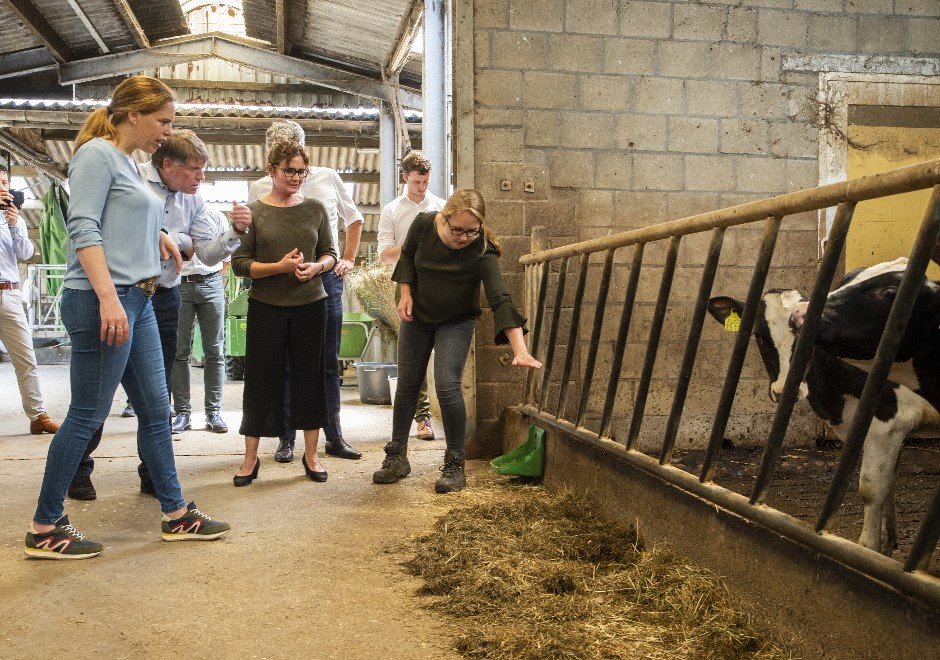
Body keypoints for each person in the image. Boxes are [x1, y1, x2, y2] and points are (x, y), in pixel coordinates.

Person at [24, 76, 229, 559]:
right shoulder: (96, 154)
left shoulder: (129, 163)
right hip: (105, 300)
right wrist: (108, 298)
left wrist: (155, 235)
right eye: (163, 121)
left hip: (138, 298)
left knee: (157, 413)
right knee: (86, 415)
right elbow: (84, 226)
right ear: (133, 114)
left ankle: (176, 514)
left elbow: (128, 216)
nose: (167, 131)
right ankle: (45, 525)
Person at [66, 129, 251, 501]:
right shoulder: (130, 175)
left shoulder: (194, 202)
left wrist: (234, 232)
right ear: (168, 164)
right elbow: (100, 229)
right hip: (118, 293)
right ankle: (77, 469)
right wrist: (169, 236)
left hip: (162, 297)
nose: (201, 178)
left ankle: (154, 474)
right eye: (195, 170)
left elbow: (207, 255)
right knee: (96, 394)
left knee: (157, 393)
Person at [372, 189, 542, 494]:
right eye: (457, 230)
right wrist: (406, 293)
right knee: (409, 382)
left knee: (447, 384)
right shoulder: (423, 224)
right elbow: (408, 256)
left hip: (456, 320)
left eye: (471, 231)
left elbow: (500, 297)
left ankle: (454, 464)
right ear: (444, 217)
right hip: (418, 315)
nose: (463, 237)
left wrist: (520, 349)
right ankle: (396, 456)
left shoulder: (482, 250)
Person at [248, 120, 363, 463]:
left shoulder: (327, 178)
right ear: (272, 161)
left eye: (297, 156)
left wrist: (347, 260)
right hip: (279, 285)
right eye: (282, 157)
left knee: (326, 364)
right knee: (283, 365)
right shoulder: (258, 188)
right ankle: (286, 439)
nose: (294, 171)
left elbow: (353, 218)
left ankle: (334, 436)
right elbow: (249, 238)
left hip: (322, 281)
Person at [232, 139, 337, 486]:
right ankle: (250, 459)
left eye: (301, 171)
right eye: (289, 170)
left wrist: (317, 268)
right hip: (267, 308)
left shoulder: (316, 208)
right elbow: (240, 265)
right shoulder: (255, 212)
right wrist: (278, 267)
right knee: (260, 382)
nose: (295, 177)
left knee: (311, 380)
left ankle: (311, 456)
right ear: (271, 170)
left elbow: (330, 253)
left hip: (311, 305)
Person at [377, 150, 445, 441]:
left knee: (442, 350)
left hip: (441, 284)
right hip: (406, 284)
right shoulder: (392, 210)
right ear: (405, 177)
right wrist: (413, 245)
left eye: (426, 181)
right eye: (417, 181)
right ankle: (423, 418)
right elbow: (383, 255)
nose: (422, 186)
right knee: (414, 355)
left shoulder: (442, 207)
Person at [0, 165, 60, 436]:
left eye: (5, 182)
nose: (3, 188)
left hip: (10, 293)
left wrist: (14, 224)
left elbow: (25, 253)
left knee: (25, 357)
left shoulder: (16, 219)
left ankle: (38, 415)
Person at [172, 206, 234, 437]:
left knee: (215, 350)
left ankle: (213, 413)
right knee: (179, 351)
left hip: (211, 283)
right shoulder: (174, 214)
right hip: (180, 283)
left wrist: (215, 278)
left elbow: (225, 256)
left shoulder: (216, 216)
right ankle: (182, 413)